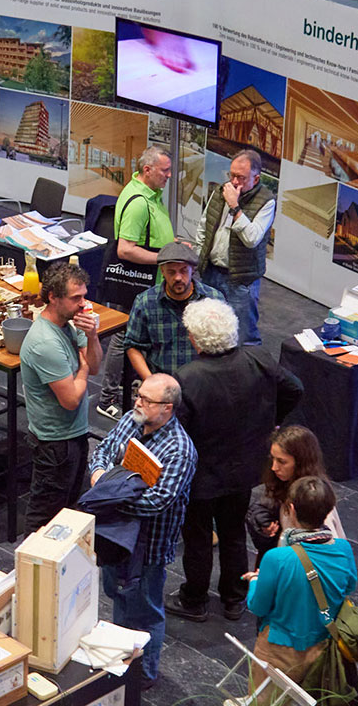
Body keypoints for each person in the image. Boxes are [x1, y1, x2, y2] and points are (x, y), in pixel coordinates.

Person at [166, 299, 303, 623]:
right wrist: (272, 422)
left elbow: (179, 433)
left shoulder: (187, 378)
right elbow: (295, 389)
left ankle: (194, 599)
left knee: (198, 536)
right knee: (233, 531)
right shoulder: (259, 359)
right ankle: (234, 598)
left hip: (201, 475)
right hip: (246, 466)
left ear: (195, 339)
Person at [88, 373, 196, 687]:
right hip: (114, 534)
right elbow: (103, 451)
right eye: (139, 395)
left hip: (149, 545)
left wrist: (109, 497)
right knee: (117, 596)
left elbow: (157, 501)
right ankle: (122, 660)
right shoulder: (130, 420)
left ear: (167, 408)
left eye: (146, 400)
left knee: (145, 610)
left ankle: (143, 676)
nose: (138, 402)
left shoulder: (179, 450)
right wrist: (99, 475)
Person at [244, 475, 358, 706]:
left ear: (291, 509)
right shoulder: (343, 550)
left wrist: (256, 581)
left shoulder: (277, 559)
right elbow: (349, 585)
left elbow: (258, 606)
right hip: (323, 648)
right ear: (328, 510)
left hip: (279, 649)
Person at [20, 262, 103, 532]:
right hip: (54, 444)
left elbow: (95, 364)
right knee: (43, 520)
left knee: (68, 513)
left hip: (74, 435)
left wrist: (92, 335)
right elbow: (70, 399)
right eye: (76, 298)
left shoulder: (71, 324)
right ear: (53, 297)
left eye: (84, 296)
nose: (83, 304)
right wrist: (83, 369)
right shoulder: (45, 342)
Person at [96, 146, 175, 420]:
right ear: (147, 170)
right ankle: (107, 398)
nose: (169, 175)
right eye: (165, 170)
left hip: (146, 284)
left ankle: (128, 386)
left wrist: (172, 245)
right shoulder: (139, 202)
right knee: (123, 336)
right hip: (136, 284)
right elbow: (125, 249)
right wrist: (164, 257)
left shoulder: (150, 193)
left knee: (133, 336)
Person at [197, 149, 275, 346]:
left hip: (241, 280)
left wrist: (235, 207)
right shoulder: (220, 191)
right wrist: (200, 256)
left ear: (256, 179)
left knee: (244, 336)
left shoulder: (266, 201)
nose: (234, 182)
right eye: (232, 175)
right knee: (208, 330)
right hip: (211, 273)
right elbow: (204, 226)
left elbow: (252, 239)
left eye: (241, 177)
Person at [246, 426, 346, 565]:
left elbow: (329, 559)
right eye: (272, 459)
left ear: (300, 462)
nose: (274, 467)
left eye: (282, 462)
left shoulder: (314, 502)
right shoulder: (284, 485)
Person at [125, 240, 223, 381]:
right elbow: (133, 345)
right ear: (162, 271)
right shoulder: (145, 302)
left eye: (183, 271)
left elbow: (225, 346)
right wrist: (151, 380)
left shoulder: (213, 299)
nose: (178, 278)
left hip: (203, 381)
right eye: (171, 272)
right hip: (162, 379)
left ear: (192, 269)